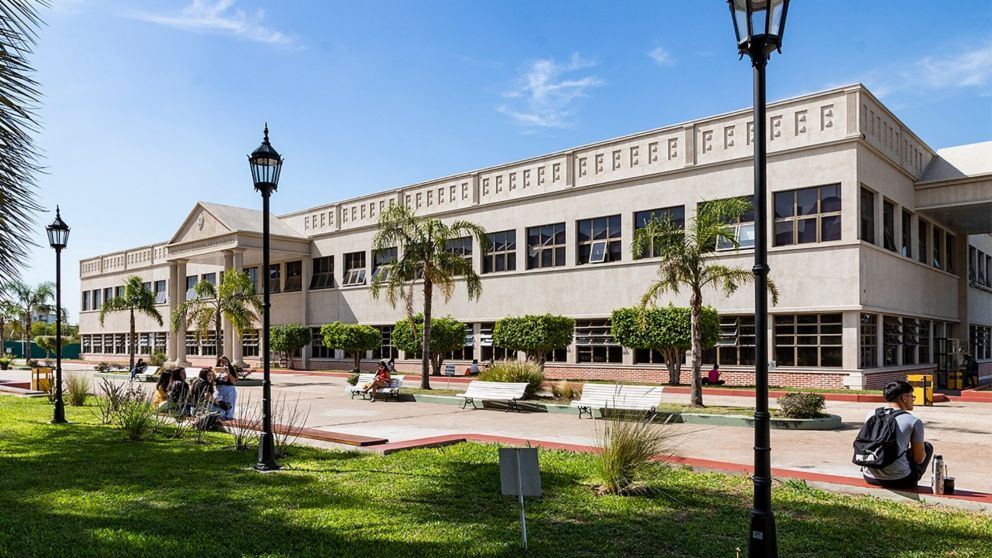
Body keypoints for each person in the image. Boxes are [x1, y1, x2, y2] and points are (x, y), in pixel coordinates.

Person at [862, 380, 934, 489]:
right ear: (904, 398)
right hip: (899, 480)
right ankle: (910, 483)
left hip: (869, 476)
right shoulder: (913, 421)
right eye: (912, 396)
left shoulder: (872, 414)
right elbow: (919, 459)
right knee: (927, 447)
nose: (913, 400)